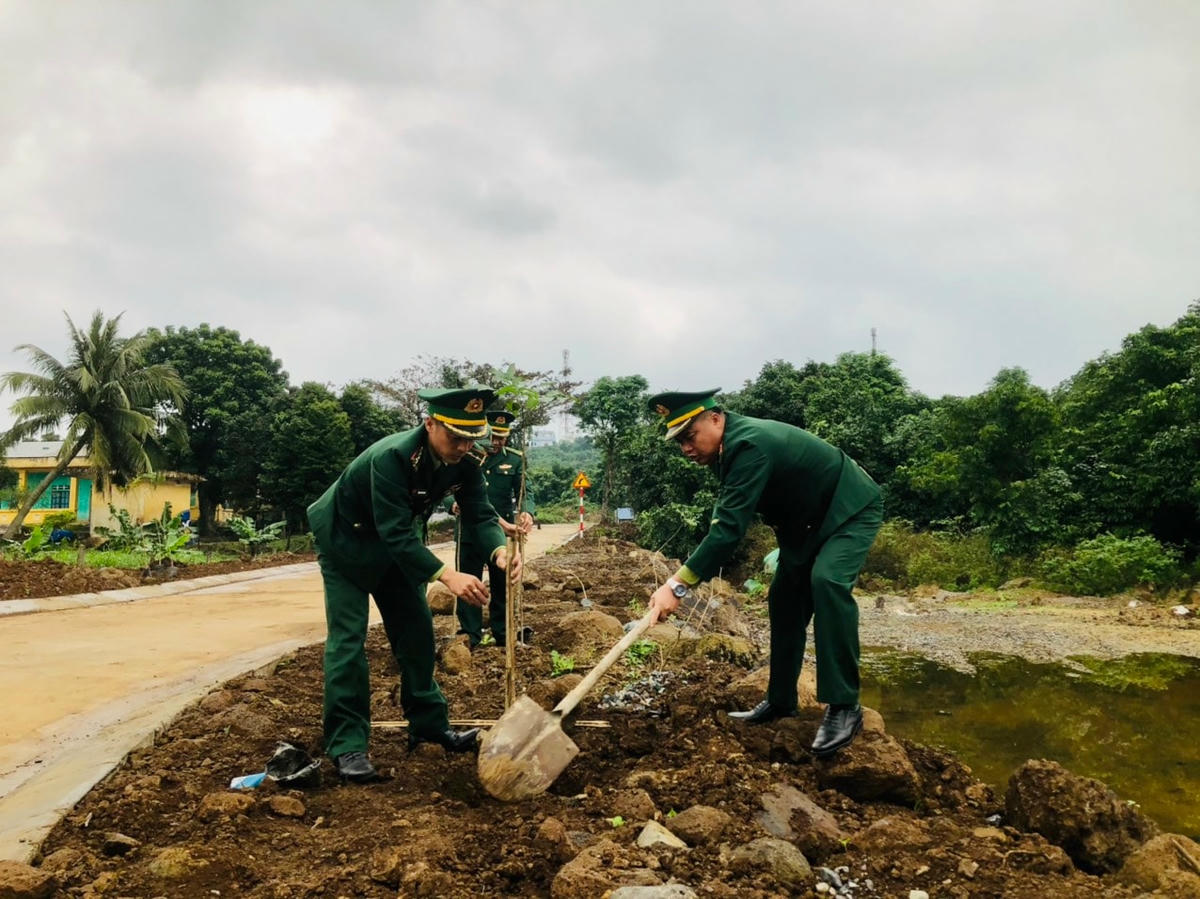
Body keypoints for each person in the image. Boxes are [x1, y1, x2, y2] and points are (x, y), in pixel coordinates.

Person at [646, 389, 882, 758]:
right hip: (803, 526)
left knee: (828, 581)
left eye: (689, 437)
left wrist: (676, 586)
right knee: (785, 598)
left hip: (848, 509)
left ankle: (844, 707)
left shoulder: (749, 445)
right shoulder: (726, 451)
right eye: (679, 443)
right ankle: (781, 701)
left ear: (715, 418)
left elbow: (727, 531)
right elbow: (730, 517)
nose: (686, 449)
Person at [307, 387, 521, 783]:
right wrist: (446, 574)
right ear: (429, 424)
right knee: (348, 641)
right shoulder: (393, 458)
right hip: (345, 542)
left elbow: (480, 515)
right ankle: (347, 745)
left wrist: (498, 554)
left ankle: (428, 725)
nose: (461, 446)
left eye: (469, 438)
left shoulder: (466, 463)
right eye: (454, 436)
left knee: (418, 633)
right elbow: (394, 532)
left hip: (396, 548)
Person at [449, 410, 535, 648]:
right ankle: (470, 636)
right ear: (484, 434)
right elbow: (446, 487)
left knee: (503, 583)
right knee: (468, 582)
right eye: (494, 436)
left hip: (501, 535)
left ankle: (504, 634)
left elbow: (525, 491)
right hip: (468, 531)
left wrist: (527, 512)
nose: (497, 442)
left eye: (502, 437)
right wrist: (451, 505)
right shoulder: (468, 455)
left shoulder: (515, 459)